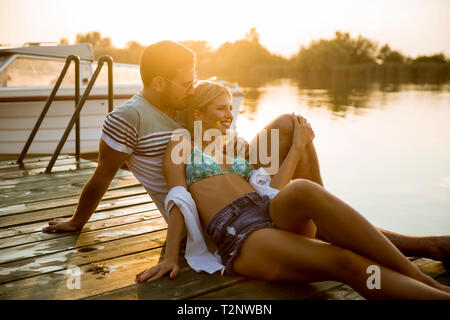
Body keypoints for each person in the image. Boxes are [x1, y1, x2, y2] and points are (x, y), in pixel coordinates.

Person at [42, 40, 449, 269]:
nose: (193, 86)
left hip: (231, 179)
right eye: (187, 81)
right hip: (211, 214)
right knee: (321, 220)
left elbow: (222, 142)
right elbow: (102, 176)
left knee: (290, 122)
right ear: (161, 82)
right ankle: (418, 244)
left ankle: (325, 216)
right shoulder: (127, 118)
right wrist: (77, 222)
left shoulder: (184, 105)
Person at [135, 81, 450, 299]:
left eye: (231, 108)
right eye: (220, 108)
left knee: (303, 189)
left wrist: (298, 146)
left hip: (266, 210)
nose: (229, 115)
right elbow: (178, 197)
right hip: (241, 234)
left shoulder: (233, 148)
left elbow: (271, 189)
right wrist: (171, 255)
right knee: (347, 263)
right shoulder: (182, 142)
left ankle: (416, 275)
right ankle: (428, 286)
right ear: (197, 114)